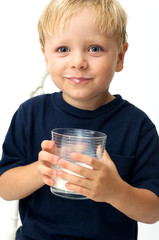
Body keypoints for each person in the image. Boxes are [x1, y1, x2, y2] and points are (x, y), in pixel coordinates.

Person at [0, 0, 159, 239]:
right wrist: (39, 171)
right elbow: (5, 188)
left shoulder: (137, 126)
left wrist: (115, 191)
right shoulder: (30, 114)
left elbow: (153, 211)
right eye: (63, 49)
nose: (78, 62)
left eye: (94, 48)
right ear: (46, 56)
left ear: (120, 57)